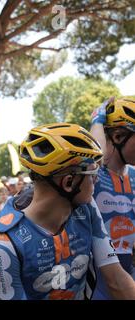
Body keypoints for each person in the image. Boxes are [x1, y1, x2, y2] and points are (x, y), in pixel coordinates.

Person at [0, 123, 135, 300]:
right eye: (93, 174)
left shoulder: (87, 209)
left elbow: (117, 279)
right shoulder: (4, 243)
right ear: (69, 182)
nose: (96, 181)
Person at [89, 97, 135, 299]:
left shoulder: (134, 174)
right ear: (117, 136)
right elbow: (94, 156)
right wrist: (98, 119)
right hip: (97, 278)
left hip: (128, 270)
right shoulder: (93, 175)